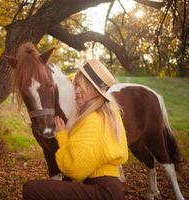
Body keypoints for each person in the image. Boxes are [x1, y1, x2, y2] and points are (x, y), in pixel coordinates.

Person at [23, 59, 128, 200]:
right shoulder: (109, 111)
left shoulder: (92, 119)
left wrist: (62, 136)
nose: (76, 91)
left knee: (31, 189)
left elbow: (73, 170)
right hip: (112, 188)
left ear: (94, 91)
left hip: (102, 192)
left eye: (82, 87)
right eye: (76, 85)